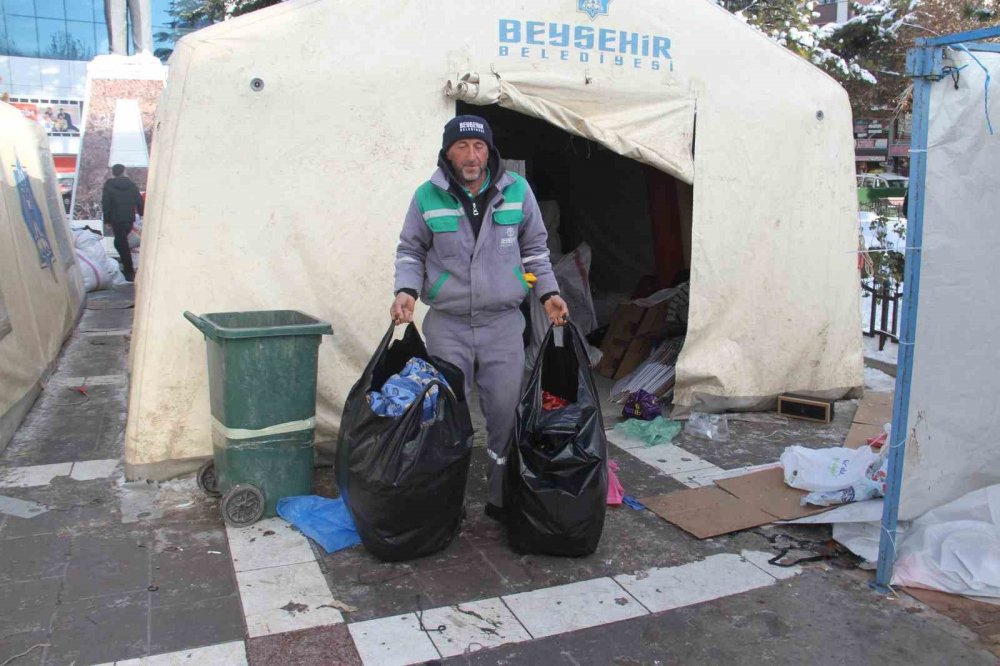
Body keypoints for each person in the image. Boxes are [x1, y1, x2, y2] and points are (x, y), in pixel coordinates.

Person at [391, 115, 569, 519]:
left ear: (490, 151)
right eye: (462, 147)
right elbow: (410, 251)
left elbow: (536, 251)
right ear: (447, 152)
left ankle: (500, 499)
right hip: (448, 326)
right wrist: (406, 291)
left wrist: (549, 293)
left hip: (503, 326)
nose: (471, 156)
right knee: (443, 416)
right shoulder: (426, 196)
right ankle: (445, 501)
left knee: (505, 415)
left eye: (479, 147)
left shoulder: (517, 191)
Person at [101, 164, 143, 282]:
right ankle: (129, 267)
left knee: (121, 243)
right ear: (124, 171)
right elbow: (139, 200)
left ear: (113, 173)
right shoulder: (131, 185)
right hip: (129, 218)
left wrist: (107, 219)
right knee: (122, 243)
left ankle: (129, 271)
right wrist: (141, 214)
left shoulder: (109, 186)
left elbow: (106, 203)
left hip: (116, 219)